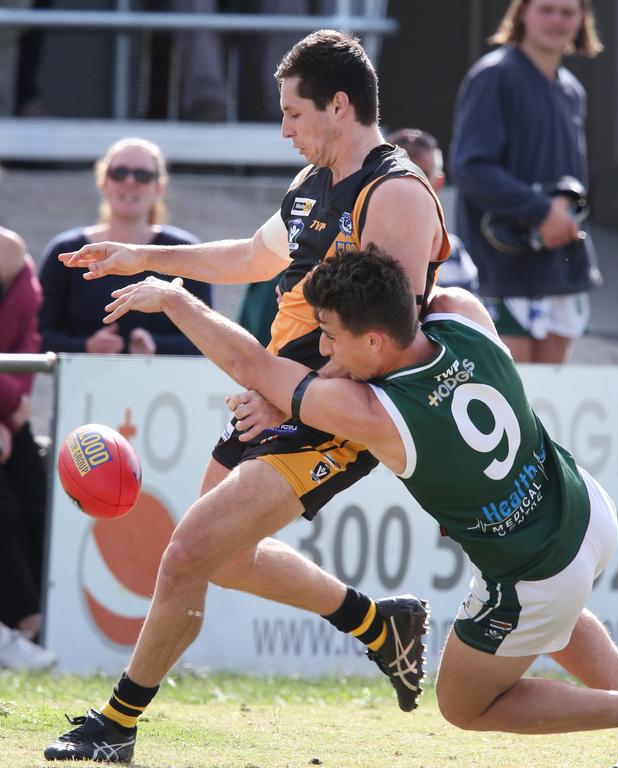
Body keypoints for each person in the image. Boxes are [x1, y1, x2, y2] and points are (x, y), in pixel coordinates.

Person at [94, 245, 618, 768]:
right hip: (583, 506)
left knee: (466, 705)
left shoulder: (372, 413)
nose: (322, 352)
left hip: (532, 570)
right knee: (560, 624)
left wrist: (176, 297)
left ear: (375, 342)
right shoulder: (461, 310)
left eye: (329, 336)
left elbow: (252, 366)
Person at [44, 30, 449, 762]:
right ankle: (378, 625)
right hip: (281, 390)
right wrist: (140, 254)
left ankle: (117, 724)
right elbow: (246, 257)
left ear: (339, 105)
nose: (284, 129)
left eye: (294, 114)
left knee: (187, 553)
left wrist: (296, 397)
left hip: (328, 408)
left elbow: (385, 340)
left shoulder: (395, 192)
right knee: (223, 558)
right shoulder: (312, 185)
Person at [449, 0, 602, 364]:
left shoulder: (572, 91)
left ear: (582, 19)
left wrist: (563, 211)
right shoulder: (493, 75)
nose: (556, 20)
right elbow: (471, 168)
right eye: (546, 9)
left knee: (550, 404)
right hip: (501, 270)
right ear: (522, 13)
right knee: (513, 400)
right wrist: (539, 211)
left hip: (557, 268)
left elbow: (572, 178)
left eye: (567, 12)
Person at [38, 138, 212, 356]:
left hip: (164, 388)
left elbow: (209, 338)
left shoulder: (185, 250)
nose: (129, 181)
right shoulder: (67, 251)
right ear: (103, 182)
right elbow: (37, 335)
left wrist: (156, 346)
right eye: (119, 173)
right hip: (81, 386)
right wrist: (85, 348)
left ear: (159, 187)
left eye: (142, 175)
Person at [0, 224, 56, 672]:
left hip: (7, 410)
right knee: (3, 509)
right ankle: (20, 621)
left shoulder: (12, 248)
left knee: (38, 498)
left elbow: (29, 337)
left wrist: (12, 407)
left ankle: (38, 626)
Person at [387, 127, 479, 293]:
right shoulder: (352, 240)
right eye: (399, 173)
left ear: (438, 184)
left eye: (421, 175)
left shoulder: (455, 253)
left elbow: (471, 314)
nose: (410, 184)